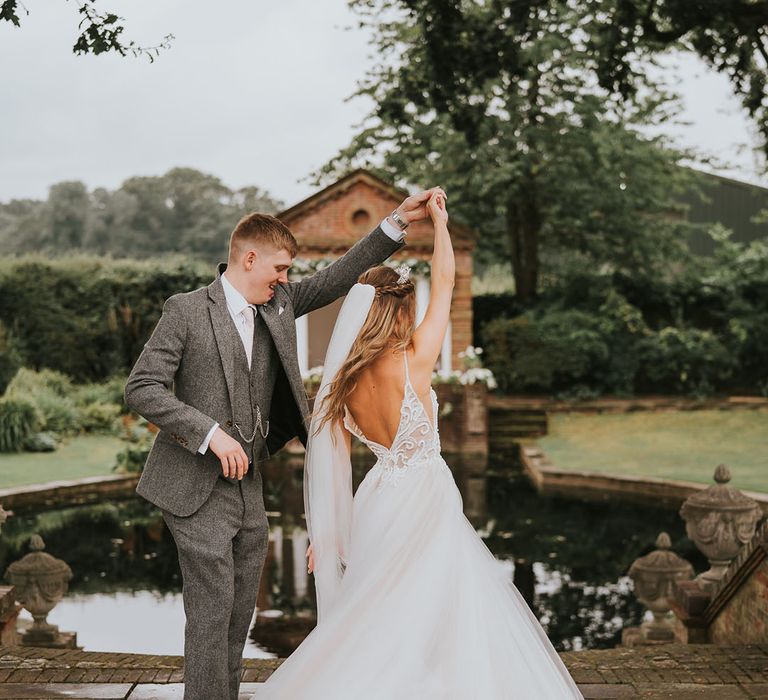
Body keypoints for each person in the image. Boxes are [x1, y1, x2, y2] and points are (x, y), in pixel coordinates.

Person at [253, 192, 584, 699]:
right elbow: (446, 279)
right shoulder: (416, 358)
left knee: (382, 601)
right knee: (440, 594)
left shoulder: (339, 387)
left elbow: (332, 464)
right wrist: (441, 224)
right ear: (402, 310)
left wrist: (325, 532)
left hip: (378, 499)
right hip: (426, 493)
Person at [124, 187, 445, 700]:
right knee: (210, 613)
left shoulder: (279, 305)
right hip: (191, 485)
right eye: (278, 268)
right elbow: (141, 387)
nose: (284, 279)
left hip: (248, 486)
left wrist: (395, 223)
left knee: (238, 615)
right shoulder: (185, 311)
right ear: (248, 258)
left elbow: (340, 276)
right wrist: (210, 434)